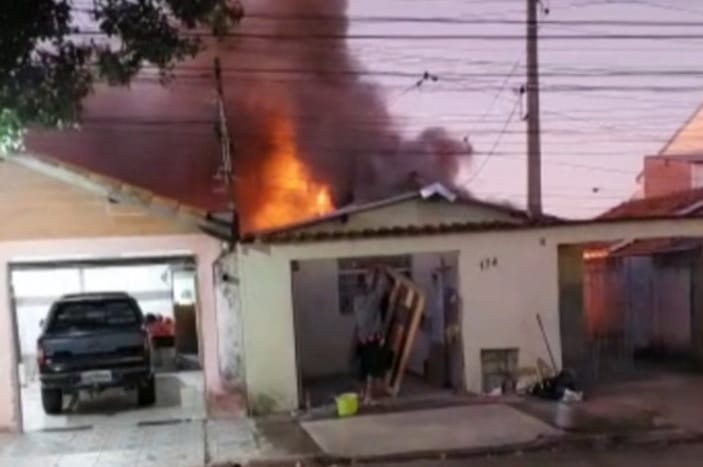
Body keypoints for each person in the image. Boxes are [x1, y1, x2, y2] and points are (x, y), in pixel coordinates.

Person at [352, 267, 390, 404]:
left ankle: (363, 394)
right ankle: (368, 396)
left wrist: (372, 278)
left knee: (362, 368)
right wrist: (381, 273)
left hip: (361, 339)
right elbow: (381, 288)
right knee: (371, 369)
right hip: (372, 339)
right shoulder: (371, 301)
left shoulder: (357, 302)